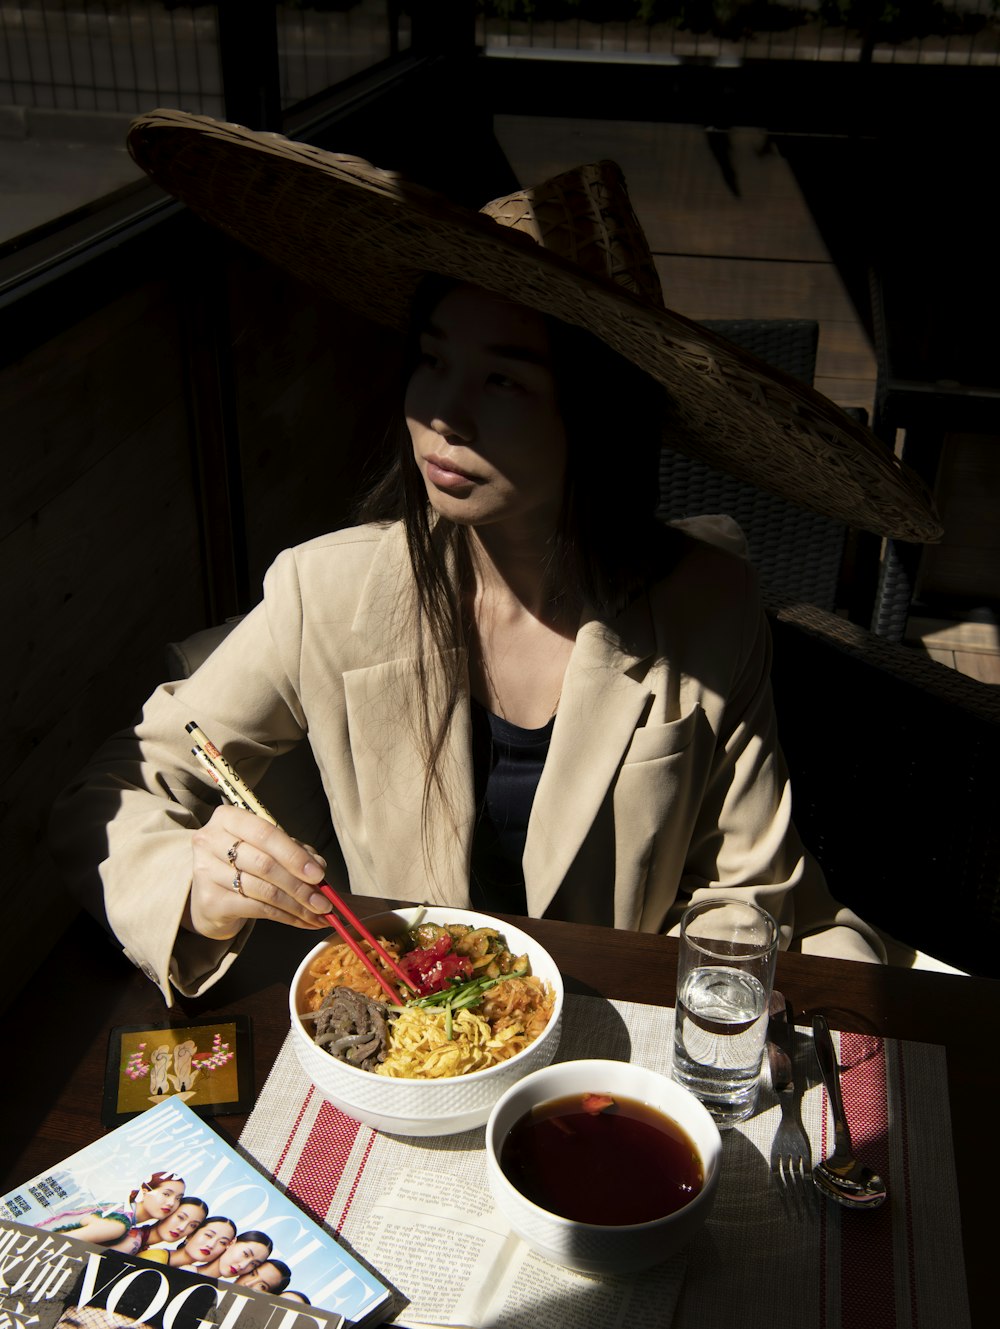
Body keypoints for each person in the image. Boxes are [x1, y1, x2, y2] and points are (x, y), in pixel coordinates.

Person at [51, 111, 942, 1003]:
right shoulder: (326, 591)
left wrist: (697, 1011)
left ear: (595, 416)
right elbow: (122, 781)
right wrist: (196, 889)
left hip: (615, 1028)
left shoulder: (706, 606)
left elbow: (749, 890)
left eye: (503, 379)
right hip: (409, 1033)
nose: (444, 413)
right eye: (434, 361)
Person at [39, 1172, 185, 1248]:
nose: (172, 1203)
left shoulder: (119, 1209)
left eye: (178, 1198)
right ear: (145, 1191)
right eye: (166, 1194)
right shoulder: (118, 1224)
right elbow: (55, 1244)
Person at [109, 1196, 208, 1255]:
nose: (182, 1228)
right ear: (168, 1212)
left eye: (193, 1225)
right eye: (181, 1217)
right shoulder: (133, 1241)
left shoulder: (140, 1240)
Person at [194, 1230, 273, 1281]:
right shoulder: (187, 1271)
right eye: (246, 1254)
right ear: (232, 1242)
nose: (243, 1266)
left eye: (254, 1264)